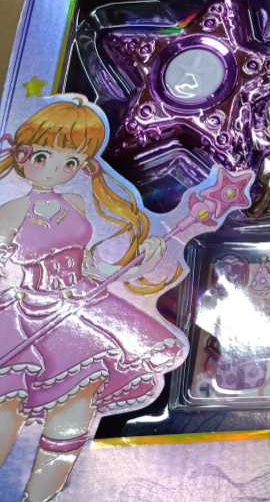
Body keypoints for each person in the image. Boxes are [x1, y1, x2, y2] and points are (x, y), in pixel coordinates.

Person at [0, 99, 184, 502]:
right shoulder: (11, 210)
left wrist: (142, 262)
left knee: (75, 411)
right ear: (23, 154)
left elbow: (96, 268)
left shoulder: (77, 205)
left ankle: (40, 496)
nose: (57, 169)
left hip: (80, 313)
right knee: (7, 407)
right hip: (23, 315)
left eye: (71, 162)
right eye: (44, 156)